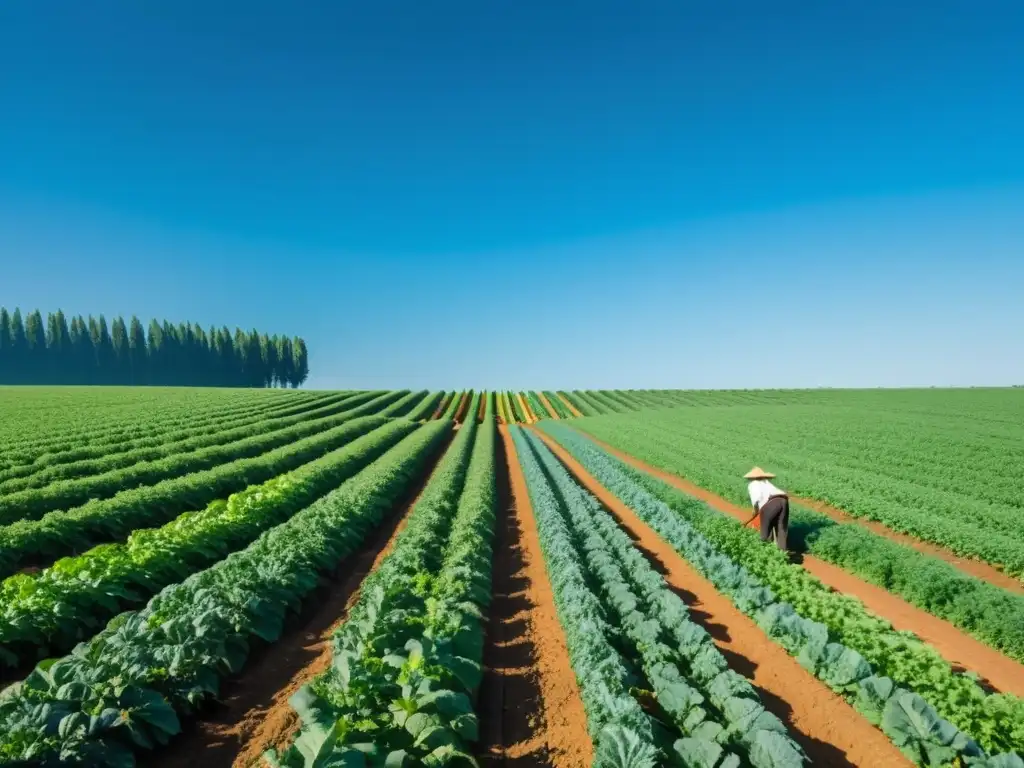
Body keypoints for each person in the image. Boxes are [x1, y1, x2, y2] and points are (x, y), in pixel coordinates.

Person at [743, 466, 789, 551]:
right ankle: (782, 553)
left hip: (770, 504)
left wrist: (754, 512)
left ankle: (767, 552)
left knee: (765, 531)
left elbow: (756, 500)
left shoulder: (752, 484)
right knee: (781, 528)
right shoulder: (766, 482)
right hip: (784, 501)